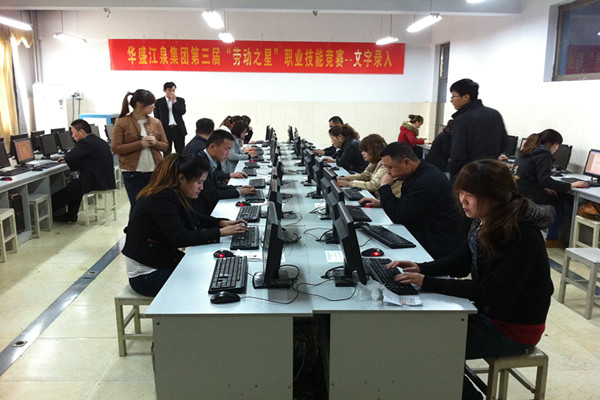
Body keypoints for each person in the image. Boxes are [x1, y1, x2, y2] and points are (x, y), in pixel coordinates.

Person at [386, 159, 554, 400]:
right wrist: (422, 268)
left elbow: (495, 291)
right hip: (489, 314)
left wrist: (427, 281)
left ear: (495, 196)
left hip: (514, 329)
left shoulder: (521, 233)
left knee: (424, 345)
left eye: (470, 195)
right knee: (418, 331)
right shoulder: (485, 218)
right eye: (461, 192)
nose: (462, 200)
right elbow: (461, 260)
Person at [123, 154, 249, 296]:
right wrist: (220, 232)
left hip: (160, 260)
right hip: (147, 274)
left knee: (211, 271)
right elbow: (181, 238)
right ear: (182, 178)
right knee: (206, 283)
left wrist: (220, 222)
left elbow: (193, 216)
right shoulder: (160, 199)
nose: (201, 187)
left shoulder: (172, 193)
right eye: (199, 182)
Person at [359, 142, 463, 259]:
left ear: (407, 163)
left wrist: (384, 187)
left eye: (390, 167)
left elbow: (398, 216)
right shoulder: (419, 172)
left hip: (435, 243)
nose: (388, 172)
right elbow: (411, 204)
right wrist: (382, 203)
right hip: (427, 232)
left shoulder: (425, 181)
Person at [514, 129, 588, 248]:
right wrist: (570, 185)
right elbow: (545, 180)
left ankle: (555, 238)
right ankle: (554, 239)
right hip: (531, 194)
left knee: (559, 196)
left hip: (521, 191)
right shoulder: (544, 154)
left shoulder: (528, 150)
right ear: (549, 143)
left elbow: (532, 176)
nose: (557, 148)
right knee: (561, 204)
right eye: (557, 145)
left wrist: (545, 187)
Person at [112, 89, 169, 208]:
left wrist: (155, 143)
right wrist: (140, 144)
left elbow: (165, 145)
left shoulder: (156, 122)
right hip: (132, 173)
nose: (153, 106)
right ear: (139, 104)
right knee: (137, 207)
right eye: (151, 104)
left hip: (155, 171)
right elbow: (116, 148)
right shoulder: (122, 122)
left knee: (155, 206)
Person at [52, 119, 116, 223]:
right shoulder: (97, 140)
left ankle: (49, 212)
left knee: (67, 192)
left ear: (81, 131)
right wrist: (69, 159)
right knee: (75, 186)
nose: (72, 136)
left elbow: (70, 156)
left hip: (95, 181)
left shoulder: (85, 142)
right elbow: (85, 157)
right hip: (105, 179)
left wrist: (67, 160)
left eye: (73, 133)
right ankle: (71, 215)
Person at [447, 78, 508, 182]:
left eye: (453, 96)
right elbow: (504, 143)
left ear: (466, 97)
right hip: (491, 174)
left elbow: (458, 154)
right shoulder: (495, 114)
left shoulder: (462, 120)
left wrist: (453, 172)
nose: (451, 100)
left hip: (468, 175)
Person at [192, 129, 256, 215]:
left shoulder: (211, 160)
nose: (228, 153)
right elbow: (212, 194)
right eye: (227, 149)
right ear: (212, 147)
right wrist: (239, 192)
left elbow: (216, 185)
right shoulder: (200, 163)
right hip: (204, 212)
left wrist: (238, 188)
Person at [336, 133, 401, 198]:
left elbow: (374, 185)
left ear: (374, 150)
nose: (362, 153)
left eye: (365, 150)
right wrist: (347, 178)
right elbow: (364, 176)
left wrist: (349, 184)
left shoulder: (385, 164)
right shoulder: (374, 161)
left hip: (389, 200)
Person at [153, 82, 188, 155]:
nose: (172, 92)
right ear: (164, 91)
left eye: (173, 90)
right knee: (166, 152)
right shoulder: (158, 102)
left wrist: (175, 102)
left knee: (181, 151)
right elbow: (156, 117)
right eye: (169, 90)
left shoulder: (180, 100)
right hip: (165, 129)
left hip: (178, 129)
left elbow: (182, 111)